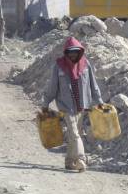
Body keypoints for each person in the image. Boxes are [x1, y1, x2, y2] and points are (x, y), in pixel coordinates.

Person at [41, 36, 104, 172]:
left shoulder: (86, 65)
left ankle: (69, 161)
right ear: (66, 53)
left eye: (75, 52)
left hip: (82, 106)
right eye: (70, 52)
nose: (73, 55)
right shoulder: (59, 67)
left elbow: (93, 85)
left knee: (75, 135)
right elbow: (52, 87)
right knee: (75, 134)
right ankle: (81, 159)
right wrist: (46, 103)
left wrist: (99, 101)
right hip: (66, 106)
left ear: (80, 52)